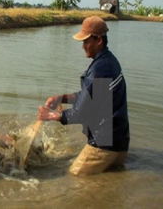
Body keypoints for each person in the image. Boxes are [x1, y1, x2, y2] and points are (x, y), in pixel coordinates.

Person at [38, 16, 130, 176]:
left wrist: (51, 115)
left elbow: (81, 113)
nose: (83, 46)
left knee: (75, 178)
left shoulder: (99, 69)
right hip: (120, 143)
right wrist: (62, 98)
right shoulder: (109, 61)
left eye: (86, 41)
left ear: (99, 40)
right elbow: (92, 97)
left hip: (103, 144)